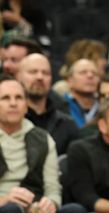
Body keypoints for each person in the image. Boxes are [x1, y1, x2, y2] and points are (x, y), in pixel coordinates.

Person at [0, 76, 64, 213]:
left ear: (26, 106)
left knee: (75, 209)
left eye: (19, 98)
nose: (13, 103)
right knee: (10, 210)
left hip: (33, 206)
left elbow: (52, 188)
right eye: (5, 98)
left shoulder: (43, 138)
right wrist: (4, 200)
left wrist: (50, 203)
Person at [16, 54, 79, 155]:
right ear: (18, 76)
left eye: (45, 73)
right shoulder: (8, 122)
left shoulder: (67, 125)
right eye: (33, 72)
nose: (40, 77)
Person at [63, 59, 100, 128]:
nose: (90, 75)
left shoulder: (104, 106)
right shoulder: (60, 106)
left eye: (94, 73)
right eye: (83, 72)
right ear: (69, 80)